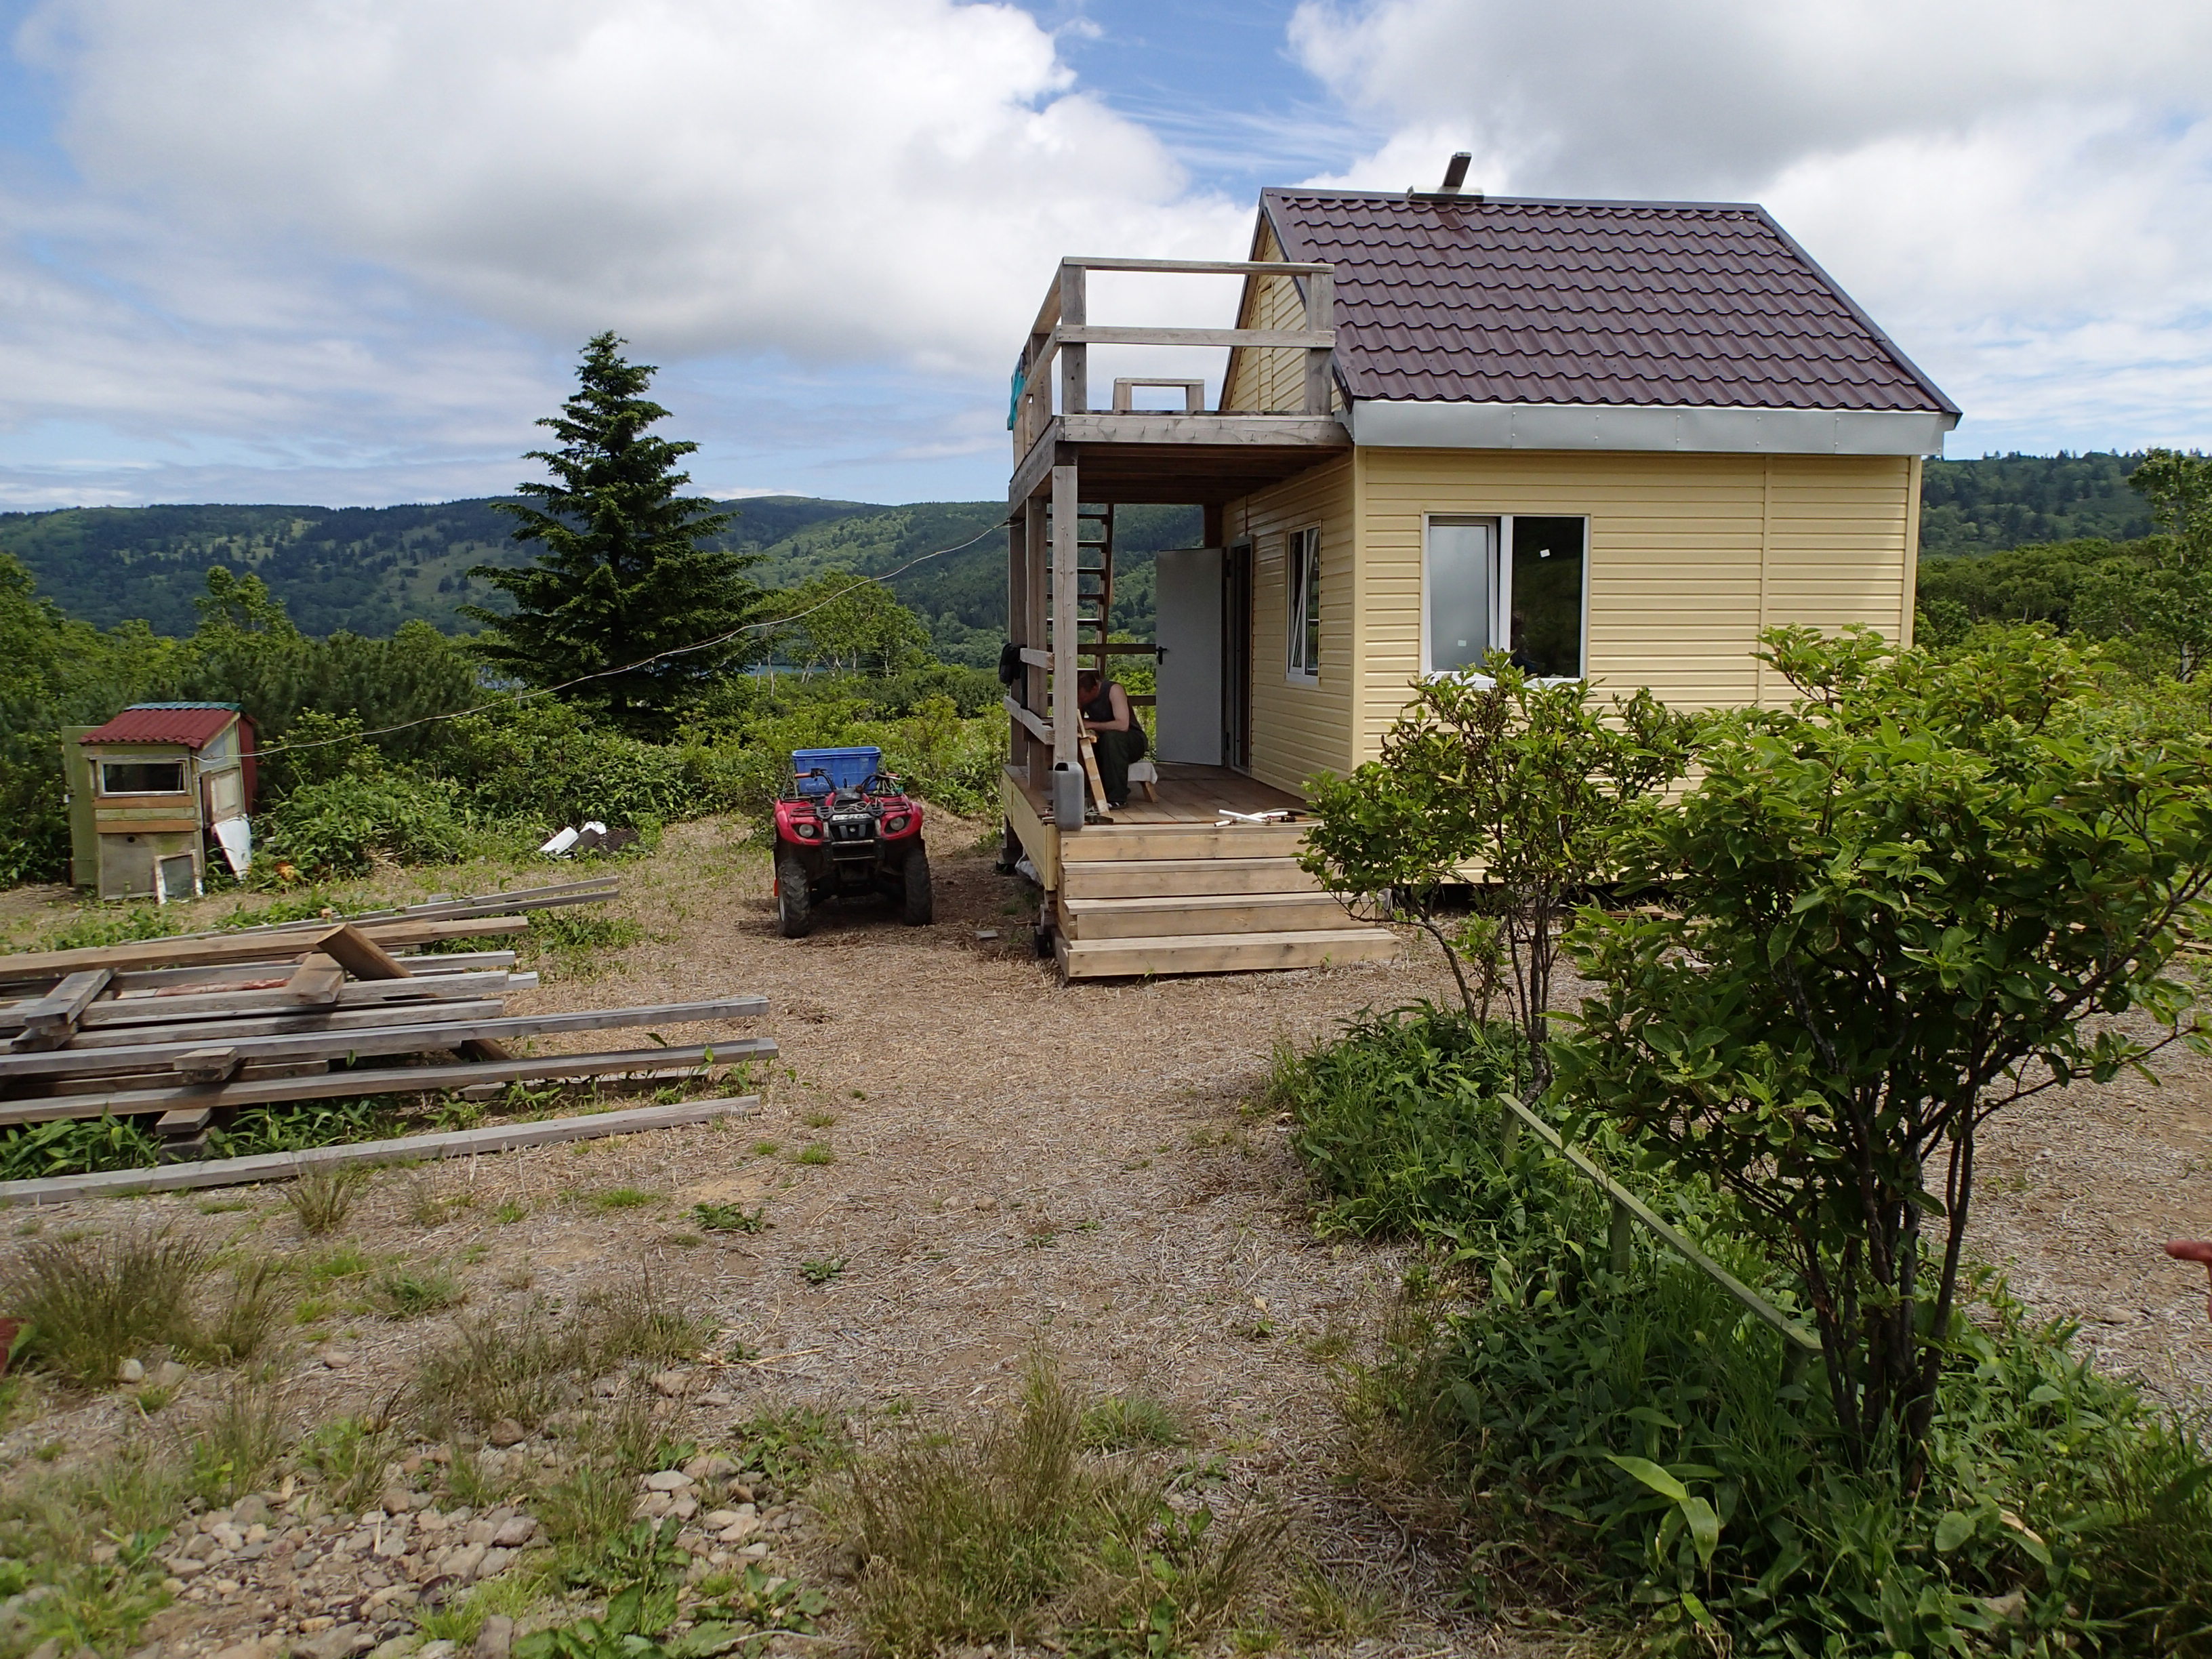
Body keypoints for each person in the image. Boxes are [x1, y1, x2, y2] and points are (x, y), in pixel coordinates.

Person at [1077, 668, 1148, 808]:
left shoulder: (1114, 690)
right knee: (1085, 743)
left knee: (1112, 738)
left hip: (1131, 741)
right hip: (1105, 741)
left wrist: (1091, 724)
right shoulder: (1081, 696)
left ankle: (1117, 797)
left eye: (1084, 698)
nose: (1081, 701)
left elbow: (1123, 725)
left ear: (1095, 688)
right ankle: (1086, 791)